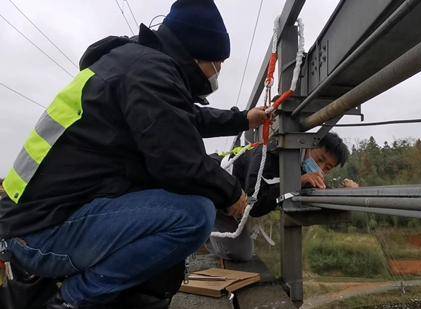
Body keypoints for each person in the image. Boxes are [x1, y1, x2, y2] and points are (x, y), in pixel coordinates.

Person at [0, 0, 267, 308]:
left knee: (168, 202)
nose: (217, 74)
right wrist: (233, 194)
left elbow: (181, 118)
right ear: (194, 54)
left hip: (32, 222)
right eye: (216, 64)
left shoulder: (133, 64)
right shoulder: (149, 72)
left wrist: (243, 118)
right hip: (40, 235)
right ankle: (70, 300)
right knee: (195, 216)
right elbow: (178, 161)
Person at [207, 132, 357, 262]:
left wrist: (349, 193)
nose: (320, 168)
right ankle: (204, 227)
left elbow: (323, 193)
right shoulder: (267, 154)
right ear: (308, 147)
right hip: (215, 188)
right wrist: (296, 182)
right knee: (241, 253)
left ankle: (205, 228)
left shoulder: (302, 168)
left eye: (327, 168)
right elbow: (253, 207)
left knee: (243, 250)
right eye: (319, 160)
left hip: (233, 202)